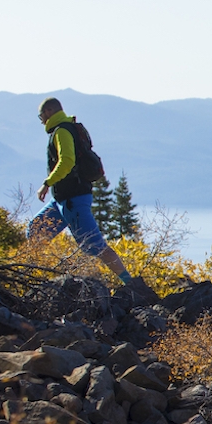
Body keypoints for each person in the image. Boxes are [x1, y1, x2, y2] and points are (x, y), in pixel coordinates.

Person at [28, 97, 134, 286]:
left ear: (49, 112)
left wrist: (47, 183)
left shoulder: (62, 131)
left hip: (74, 199)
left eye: (41, 116)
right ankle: (33, 279)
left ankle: (132, 285)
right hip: (62, 200)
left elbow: (67, 161)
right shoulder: (66, 128)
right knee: (37, 229)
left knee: (96, 247)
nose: (41, 121)